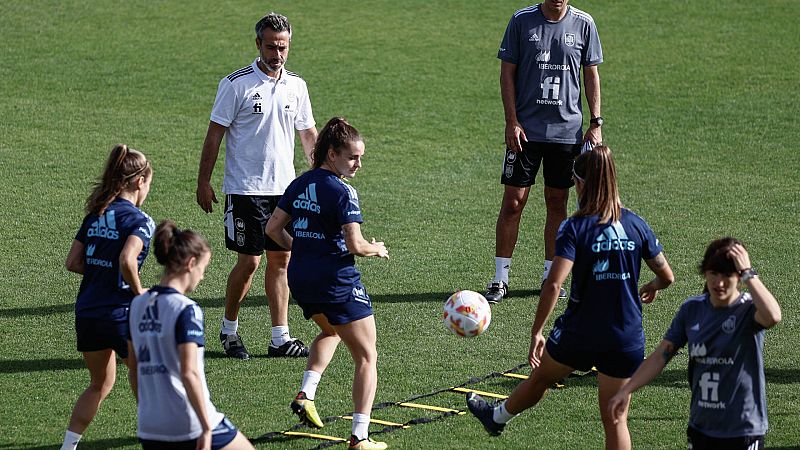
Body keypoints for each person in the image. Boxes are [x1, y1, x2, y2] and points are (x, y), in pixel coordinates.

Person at [467, 146, 675, 450]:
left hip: (581, 333)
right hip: (625, 336)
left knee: (540, 378)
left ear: (580, 183)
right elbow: (667, 276)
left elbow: (554, 284)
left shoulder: (575, 227)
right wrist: (654, 285)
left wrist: (537, 331)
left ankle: (497, 417)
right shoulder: (635, 224)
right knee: (615, 420)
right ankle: (495, 418)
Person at [196, 11, 318, 360]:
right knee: (249, 262)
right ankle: (228, 330)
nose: (276, 54)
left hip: (285, 192)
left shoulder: (297, 86)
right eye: (270, 47)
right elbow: (214, 135)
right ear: (257, 45)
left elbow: (308, 135)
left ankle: (280, 337)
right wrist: (203, 181)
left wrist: (323, 173)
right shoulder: (236, 85)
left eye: (282, 48)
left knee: (282, 259)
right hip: (245, 189)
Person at [266, 117, 389, 450]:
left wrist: (304, 247)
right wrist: (376, 248)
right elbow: (355, 245)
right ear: (332, 154)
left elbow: (273, 230)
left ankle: (306, 394)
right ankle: (360, 437)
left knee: (331, 331)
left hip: (301, 279)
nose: (359, 164)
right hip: (336, 281)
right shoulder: (342, 191)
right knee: (367, 357)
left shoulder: (300, 183)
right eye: (353, 157)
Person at [609, 238, 781, 449]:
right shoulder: (692, 310)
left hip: (743, 429)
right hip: (701, 427)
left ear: (739, 277)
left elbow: (773, 316)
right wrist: (626, 390)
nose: (719, 283)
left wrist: (748, 271)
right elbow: (660, 356)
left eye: (727, 275)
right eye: (713, 274)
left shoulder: (749, 310)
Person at [485, 0, 604, 303]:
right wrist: (511, 120)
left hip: (566, 132)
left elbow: (591, 74)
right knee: (513, 202)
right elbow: (506, 73)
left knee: (557, 201)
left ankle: (551, 277)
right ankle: (500, 278)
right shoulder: (522, 21)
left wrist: (596, 122)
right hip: (526, 131)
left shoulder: (584, 23)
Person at [128, 221, 256, 450]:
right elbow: (190, 373)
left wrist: (148, 411)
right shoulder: (186, 309)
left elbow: (134, 367)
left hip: (150, 425)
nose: (203, 277)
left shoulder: (137, 304)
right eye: (203, 269)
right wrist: (206, 427)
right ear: (191, 263)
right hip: (189, 422)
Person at [61, 144, 155, 450]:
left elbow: (73, 262)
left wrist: (101, 269)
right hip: (121, 314)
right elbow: (128, 260)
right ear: (140, 181)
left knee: (99, 384)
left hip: (87, 313)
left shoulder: (96, 213)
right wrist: (140, 294)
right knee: (146, 374)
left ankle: (69, 446)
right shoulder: (140, 221)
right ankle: (154, 438)